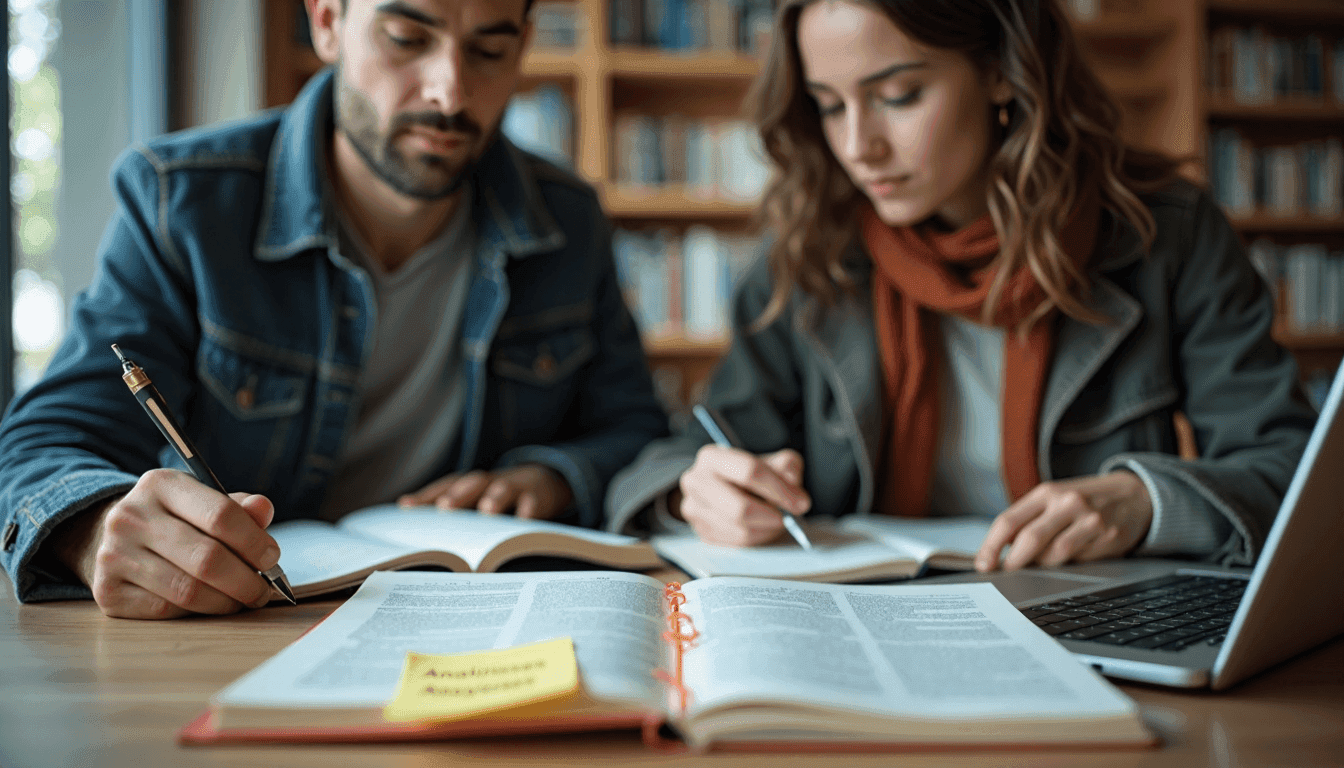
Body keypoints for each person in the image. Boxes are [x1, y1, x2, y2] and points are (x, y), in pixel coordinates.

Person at [0, 0, 667, 618]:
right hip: (238, 626)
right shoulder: (182, 204)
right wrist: (93, 529)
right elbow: (41, 445)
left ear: (523, 46)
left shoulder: (569, 219)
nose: (449, 92)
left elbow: (637, 433)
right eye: (407, 39)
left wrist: (552, 477)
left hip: (474, 619)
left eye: (489, 51)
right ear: (326, 21)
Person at [607, 0, 1315, 572]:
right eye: (828, 106)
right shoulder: (808, 252)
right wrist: (694, 493)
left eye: (898, 95)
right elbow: (680, 454)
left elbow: (1296, 473)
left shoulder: (1167, 235)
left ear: (1002, 72)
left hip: (1090, 613)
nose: (859, 147)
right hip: (865, 617)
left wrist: (1147, 502)